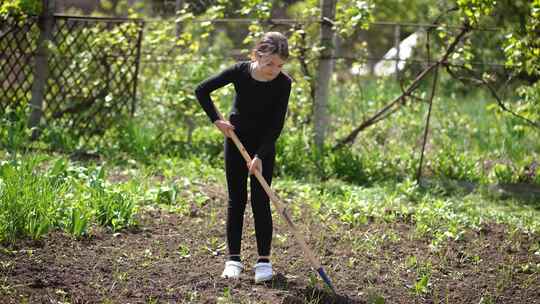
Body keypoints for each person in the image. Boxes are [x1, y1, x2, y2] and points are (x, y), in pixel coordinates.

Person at [194, 32, 292, 283]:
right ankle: (233, 260)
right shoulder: (239, 72)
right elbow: (202, 90)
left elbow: (276, 126)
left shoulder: (284, 83)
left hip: (263, 147)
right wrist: (217, 120)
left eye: (280, 65)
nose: (274, 70)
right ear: (256, 55)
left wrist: (260, 155)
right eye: (269, 63)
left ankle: (263, 262)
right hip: (236, 143)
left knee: (261, 201)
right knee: (237, 200)